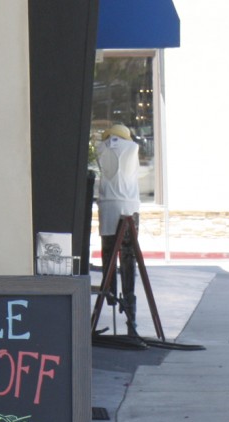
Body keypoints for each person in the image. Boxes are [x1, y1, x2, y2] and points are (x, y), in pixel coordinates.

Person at [97, 123, 141, 334]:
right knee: (128, 257)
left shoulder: (102, 148)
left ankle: (111, 295)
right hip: (128, 206)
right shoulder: (131, 148)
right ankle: (128, 308)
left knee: (109, 253)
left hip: (108, 205)